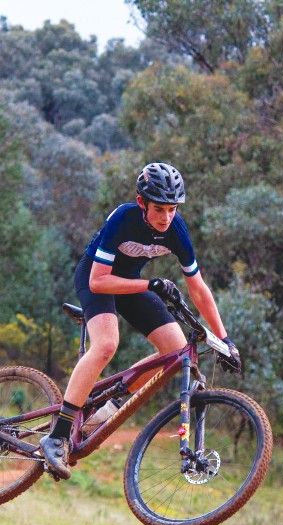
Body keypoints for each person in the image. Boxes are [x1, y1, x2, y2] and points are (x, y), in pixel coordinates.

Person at [38, 162, 241, 479]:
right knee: (106, 345)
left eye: (172, 209)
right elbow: (99, 281)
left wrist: (224, 340)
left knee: (174, 350)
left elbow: (198, 287)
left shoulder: (176, 230)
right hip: (97, 280)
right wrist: (152, 285)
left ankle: (108, 402)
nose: (166, 217)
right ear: (141, 202)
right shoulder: (124, 218)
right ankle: (57, 436)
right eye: (159, 208)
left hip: (130, 283)